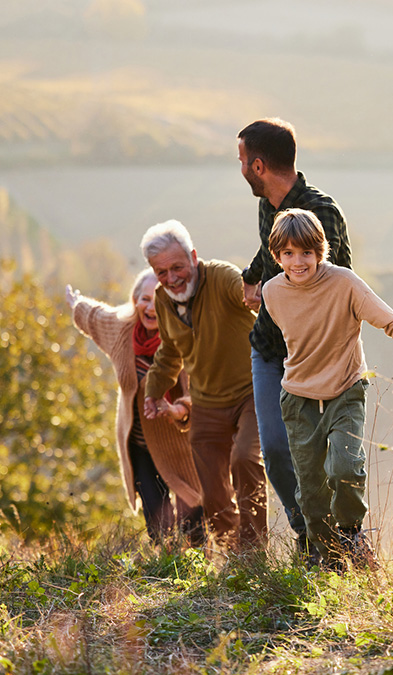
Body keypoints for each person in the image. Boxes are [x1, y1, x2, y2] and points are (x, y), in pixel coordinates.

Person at [263, 208, 393, 569]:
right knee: (311, 492)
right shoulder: (272, 293)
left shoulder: (344, 283)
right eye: (288, 254)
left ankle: (350, 534)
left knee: (345, 466)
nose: (298, 262)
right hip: (298, 398)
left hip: (345, 390)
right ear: (277, 255)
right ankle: (328, 559)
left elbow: (389, 319)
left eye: (306, 253)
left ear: (320, 251)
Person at [237, 118, 353, 560]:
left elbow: (340, 279)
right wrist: (253, 277)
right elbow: (271, 248)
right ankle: (312, 538)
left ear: (259, 165)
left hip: (315, 356)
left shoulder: (321, 212)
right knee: (275, 449)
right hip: (268, 348)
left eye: (243, 161)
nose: (242, 169)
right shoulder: (270, 204)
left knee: (329, 460)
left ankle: (344, 541)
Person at [141, 220, 268, 552]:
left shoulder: (221, 276)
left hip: (250, 391)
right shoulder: (162, 299)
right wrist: (153, 392)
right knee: (212, 488)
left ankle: (255, 553)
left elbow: (248, 295)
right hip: (207, 403)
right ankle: (232, 554)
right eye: (161, 272)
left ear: (193, 257)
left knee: (244, 459)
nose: (171, 278)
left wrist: (255, 295)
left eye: (177, 267)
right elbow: (169, 352)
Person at [66, 270, 204, 546]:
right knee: (157, 524)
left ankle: (202, 580)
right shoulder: (123, 329)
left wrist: (179, 409)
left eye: (157, 300)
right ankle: (165, 574)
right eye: (144, 299)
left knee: (195, 524)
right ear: (134, 300)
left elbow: (197, 394)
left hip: (179, 445)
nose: (150, 307)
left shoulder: (182, 337)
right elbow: (96, 317)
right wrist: (76, 303)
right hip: (139, 444)